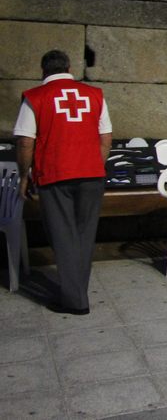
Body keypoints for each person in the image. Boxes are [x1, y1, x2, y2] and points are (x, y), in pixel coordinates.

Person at [13, 50, 112, 316]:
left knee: (62, 236)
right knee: (84, 235)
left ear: (43, 70)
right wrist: (94, 164)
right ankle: (77, 291)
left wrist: (24, 175)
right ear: (69, 67)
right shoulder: (94, 95)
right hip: (92, 175)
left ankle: (75, 301)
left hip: (55, 175)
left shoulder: (35, 97)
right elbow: (105, 138)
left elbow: (25, 141)